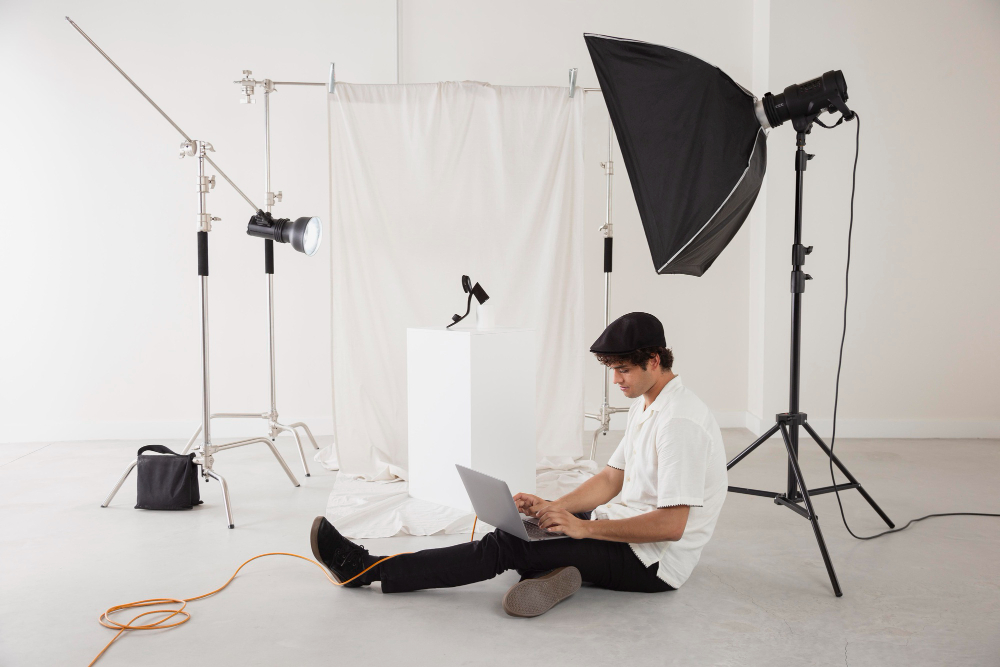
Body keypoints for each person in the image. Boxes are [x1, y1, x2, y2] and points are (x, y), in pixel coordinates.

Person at [309, 312, 728, 617]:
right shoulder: (648, 403)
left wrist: (584, 528)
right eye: (613, 371)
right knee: (527, 527)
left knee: (508, 546)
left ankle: (366, 569)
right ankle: (557, 569)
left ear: (654, 360)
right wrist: (555, 508)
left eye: (623, 370)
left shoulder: (680, 424)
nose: (616, 380)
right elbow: (610, 478)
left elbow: (672, 525)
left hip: (651, 564)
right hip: (622, 529)